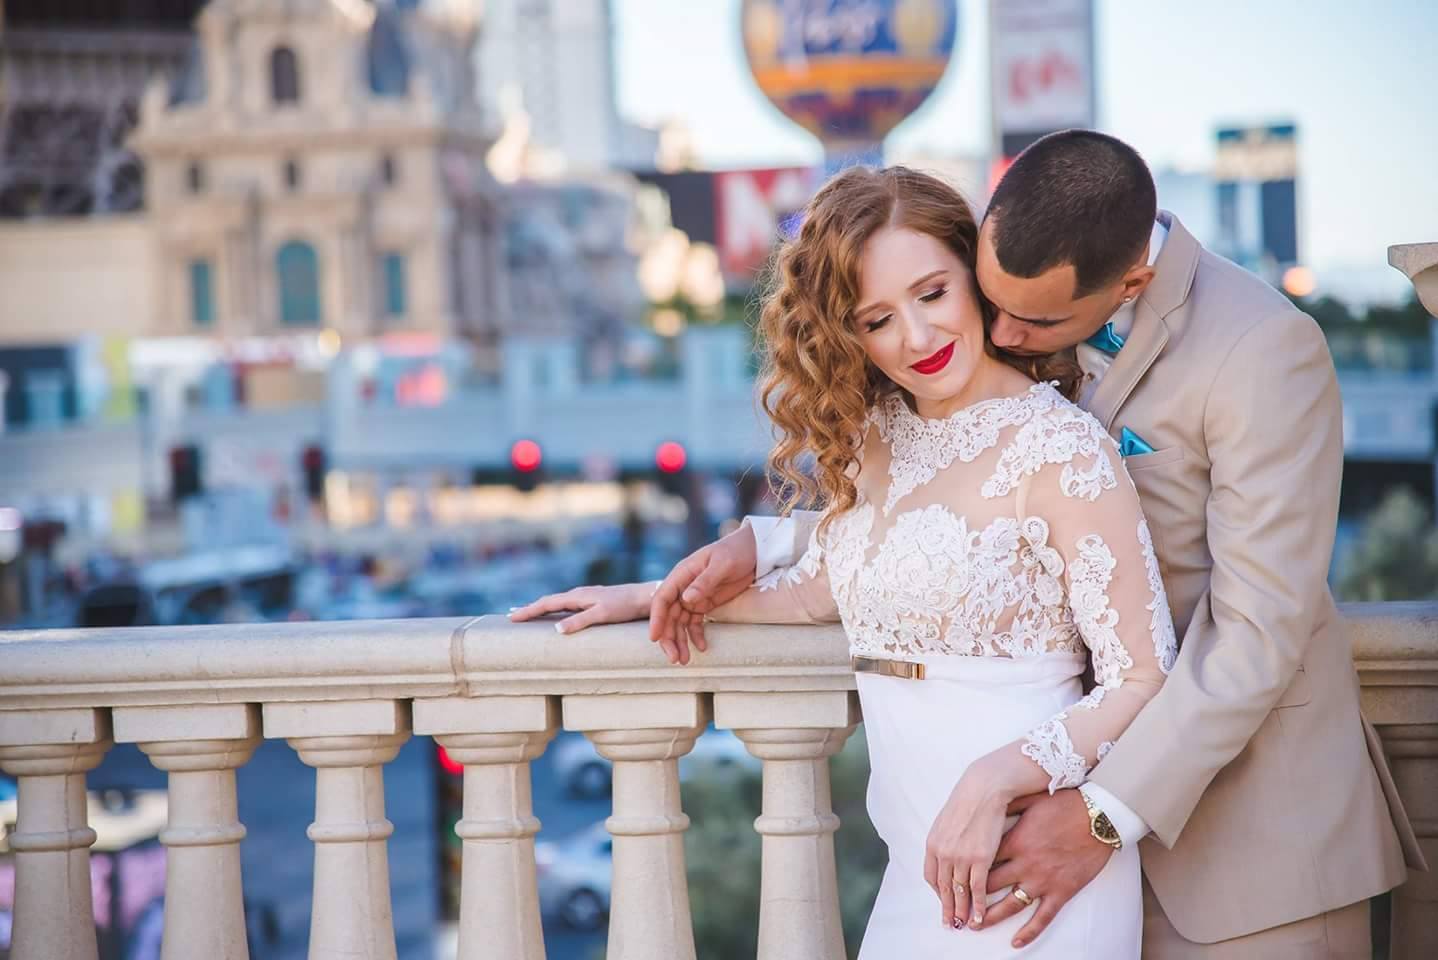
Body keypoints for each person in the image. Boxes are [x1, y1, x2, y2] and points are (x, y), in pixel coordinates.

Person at [642, 131, 1424, 957]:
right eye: (988, 298)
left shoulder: (1263, 348)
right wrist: (760, 545)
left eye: (1033, 320)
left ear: (1133, 283)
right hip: (1019, 838)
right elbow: (964, 515)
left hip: (1247, 849)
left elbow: (1260, 633)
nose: (1005, 334)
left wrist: (1098, 814)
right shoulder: (1017, 285)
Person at [516, 163, 1177, 956]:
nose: (918, 338)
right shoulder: (876, 436)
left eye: (933, 293)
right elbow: (817, 593)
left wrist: (997, 775)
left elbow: (1146, 676)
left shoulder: (1063, 451)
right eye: (877, 319)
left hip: (1026, 869)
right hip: (915, 873)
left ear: (974, 275)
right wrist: (660, 594)